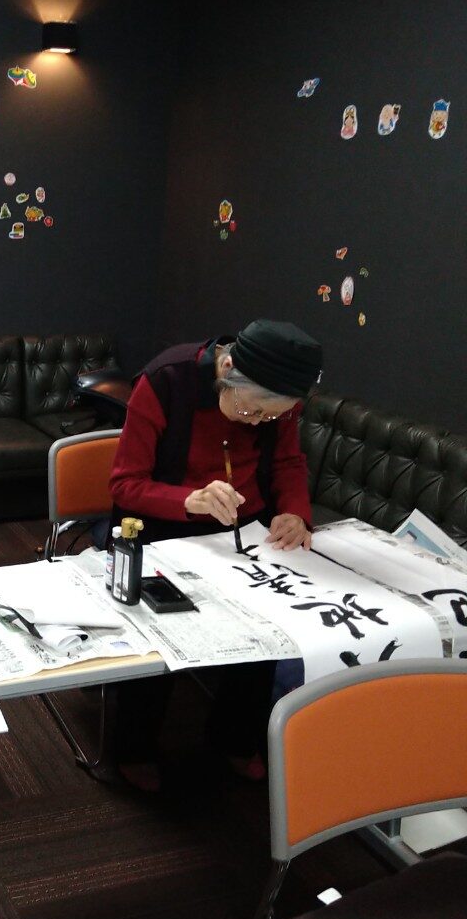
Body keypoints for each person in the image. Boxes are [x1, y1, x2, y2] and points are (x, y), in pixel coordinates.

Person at [108, 319, 322, 792]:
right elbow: (125, 484)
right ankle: (133, 747)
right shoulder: (166, 381)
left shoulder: (280, 401)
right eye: (250, 409)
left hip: (245, 527)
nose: (256, 422)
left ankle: (235, 739)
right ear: (226, 369)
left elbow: (288, 461)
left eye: (270, 416)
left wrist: (295, 513)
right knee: (159, 631)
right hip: (164, 523)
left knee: (265, 631)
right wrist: (188, 499)